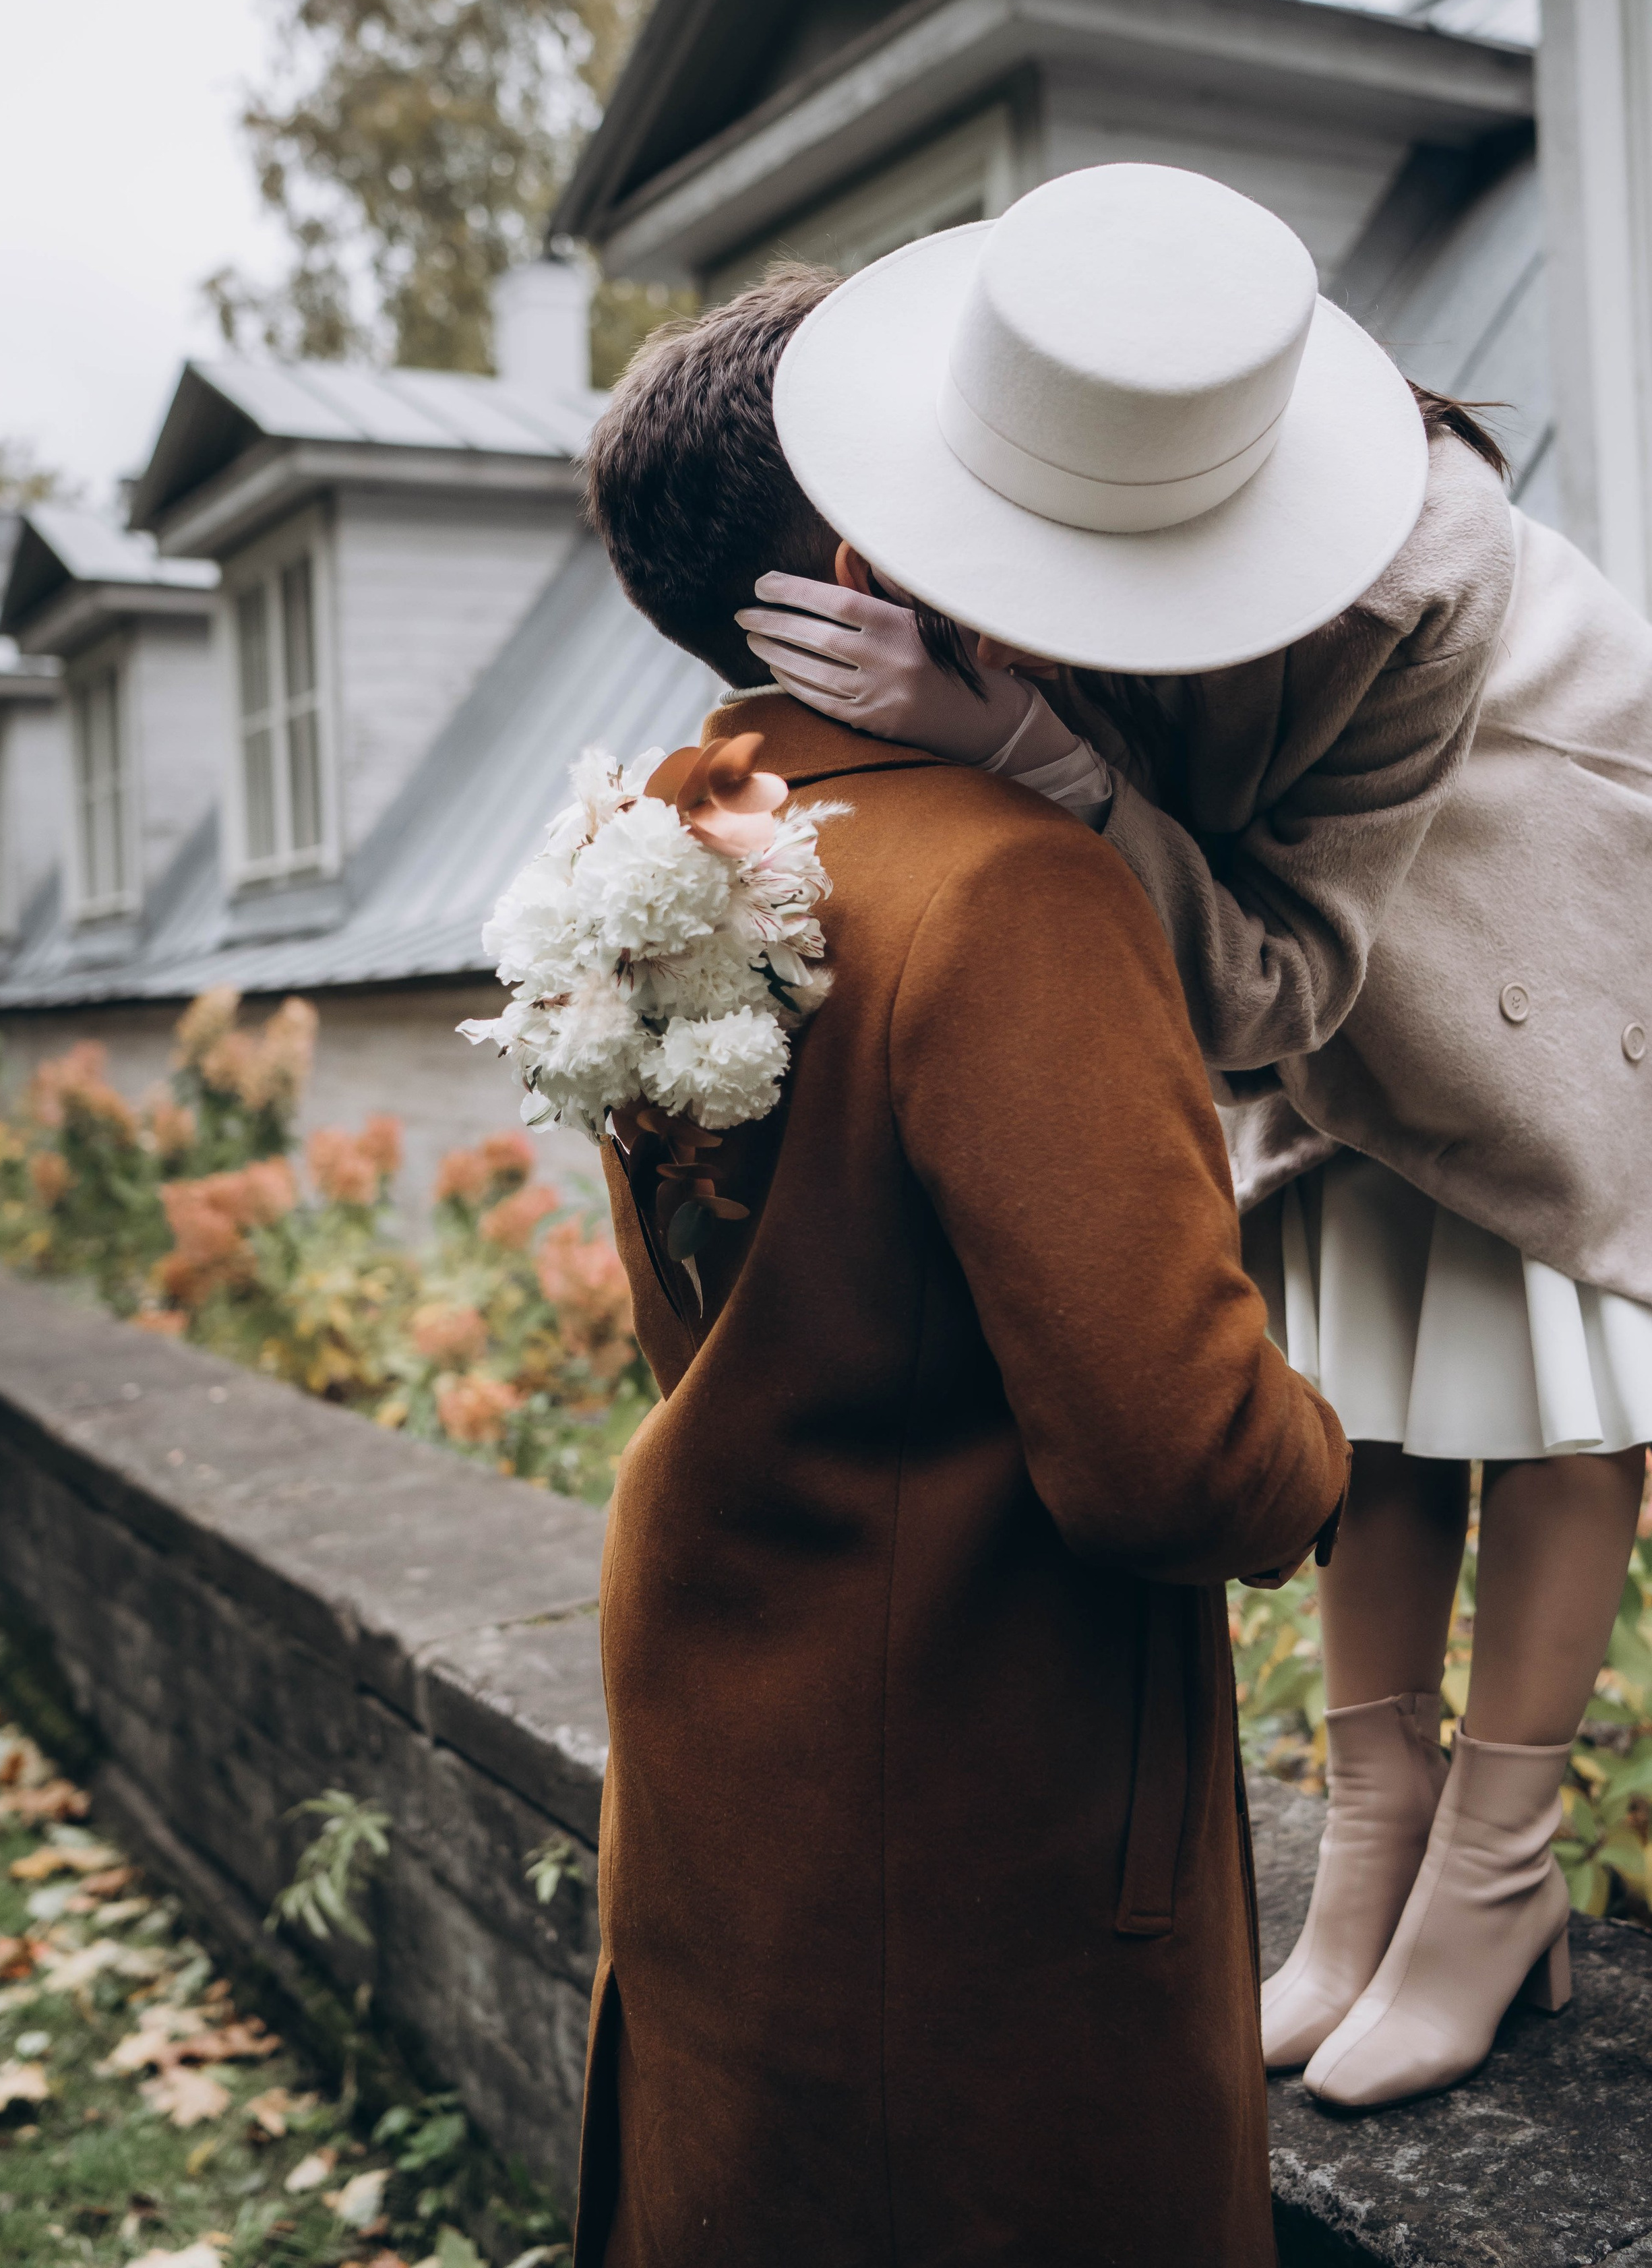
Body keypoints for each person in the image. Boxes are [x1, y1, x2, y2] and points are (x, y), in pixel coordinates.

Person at [745, 158, 1652, 2112]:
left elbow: (1275, 993)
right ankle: (1376, 1858)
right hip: (1330, 935)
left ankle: (1495, 1885)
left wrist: (1034, 757)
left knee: (1553, 1351)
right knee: (1384, 1388)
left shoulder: (1414, 594)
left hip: (1548, 917)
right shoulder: (1055, 426)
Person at [573, 257, 1350, 2267]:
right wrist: (1329, 1454)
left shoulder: (669, 840)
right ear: (863, 556)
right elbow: (1176, 1458)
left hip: (731, 1733)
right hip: (981, 1812)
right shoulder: (1012, 889)